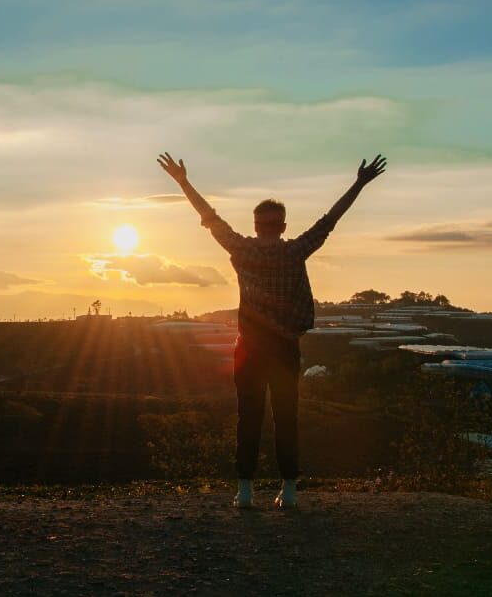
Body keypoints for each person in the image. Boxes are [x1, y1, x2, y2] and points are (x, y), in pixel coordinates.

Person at [158, 152, 386, 508]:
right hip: (284, 348)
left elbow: (209, 216)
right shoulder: (295, 251)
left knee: (248, 417)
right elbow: (330, 221)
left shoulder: (241, 249)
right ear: (282, 226)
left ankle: (245, 490)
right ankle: (289, 489)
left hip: (248, 349)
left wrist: (183, 182)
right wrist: (358, 183)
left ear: (255, 225)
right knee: (286, 417)